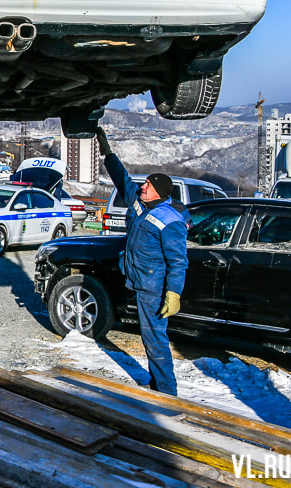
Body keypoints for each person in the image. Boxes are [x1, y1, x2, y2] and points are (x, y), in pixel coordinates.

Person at [96, 125, 189, 396]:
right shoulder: (139, 203)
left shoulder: (170, 220)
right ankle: (156, 383)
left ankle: (167, 393)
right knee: (149, 338)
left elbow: (178, 261)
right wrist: (108, 153)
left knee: (155, 339)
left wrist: (173, 293)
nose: (142, 186)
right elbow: (121, 178)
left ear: (158, 191)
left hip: (154, 288)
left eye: (148, 184)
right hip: (140, 282)